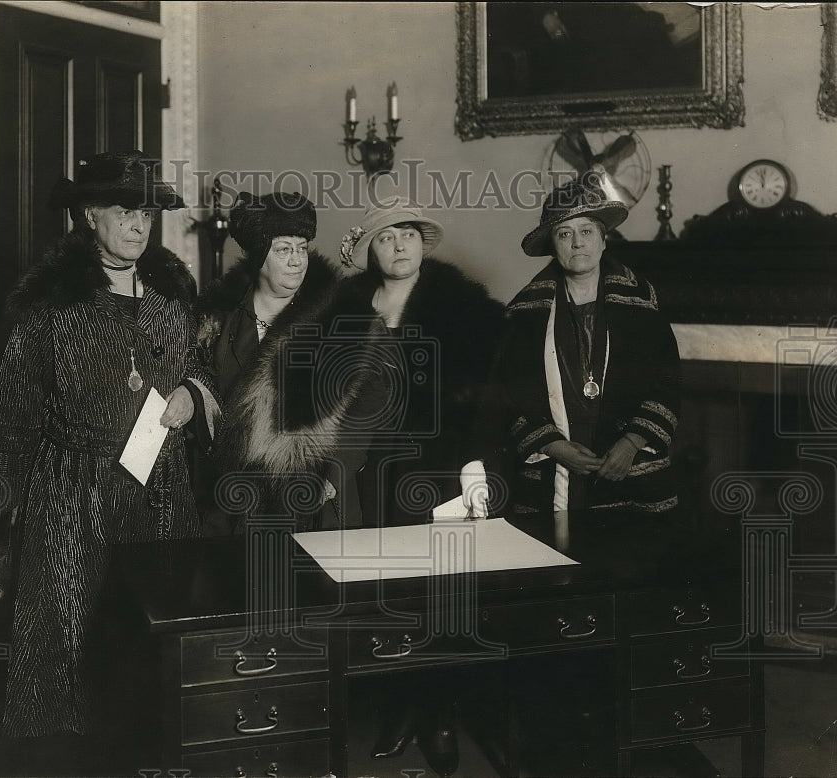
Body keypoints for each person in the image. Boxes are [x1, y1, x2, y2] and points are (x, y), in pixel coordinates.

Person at [221, 199, 504, 776]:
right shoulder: (341, 304)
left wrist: (471, 469)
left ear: (424, 244)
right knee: (384, 596)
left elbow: (487, 400)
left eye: (408, 234)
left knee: (442, 593)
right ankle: (398, 706)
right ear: (368, 250)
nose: (398, 245)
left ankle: (438, 714)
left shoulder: (464, 308)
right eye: (384, 237)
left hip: (435, 468)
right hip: (364, 474)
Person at [0, 151, 208, 769]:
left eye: (148, 213)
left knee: (153, 629)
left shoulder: (170, 301)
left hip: (158, 490)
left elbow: (201, 372)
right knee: (67, 630)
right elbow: (12, 421)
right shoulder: (51, 310)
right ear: (88, 216)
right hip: (69, 494)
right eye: (125, 211)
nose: (140, 225)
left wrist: (192, 393)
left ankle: (149, 755)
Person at [463, 170, 680, 518]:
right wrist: (553, 445)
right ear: (553, 245)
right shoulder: (523, 313)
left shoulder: (641, 303)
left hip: (630, 468)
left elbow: (667, 381)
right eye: (565, 233)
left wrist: (631, 443)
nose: (577, 242)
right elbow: (506, 394)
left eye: (586, 231)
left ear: (604, 239)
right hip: (553, 471)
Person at [193, 191, 339, 533]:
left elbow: (360, 408)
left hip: (307, 494)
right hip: (231, 499)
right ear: (259, 255)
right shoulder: (218, 321)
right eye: (284, 249)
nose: (297, 260)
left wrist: (332, 474)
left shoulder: (332, 319)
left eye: (302, 248)